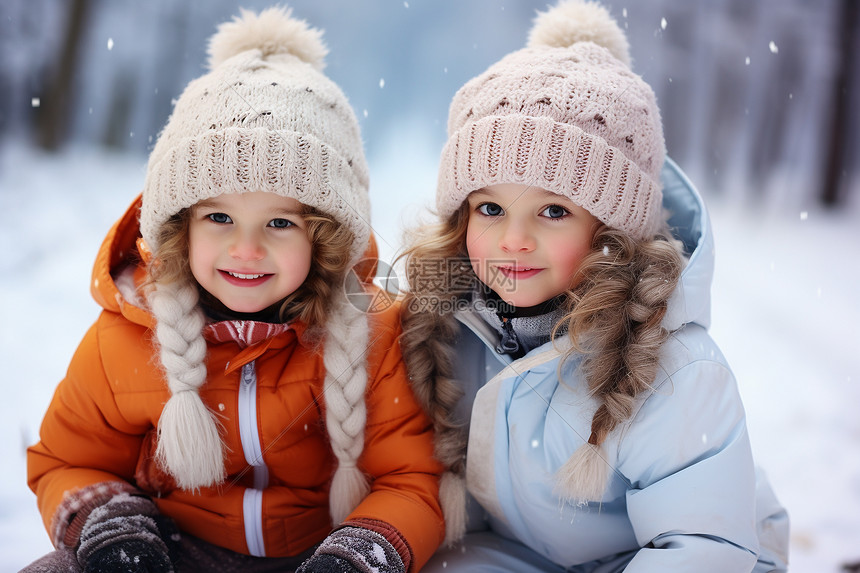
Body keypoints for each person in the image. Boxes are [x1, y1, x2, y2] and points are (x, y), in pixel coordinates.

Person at [24, 7, 443, 573]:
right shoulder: (124, 339)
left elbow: (411, 477)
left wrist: (366, 550)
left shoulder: (375, 334)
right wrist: (110, 523)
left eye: (279, 223)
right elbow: (67, 460)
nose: (246, 250)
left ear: (324, 240)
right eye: (219, 218)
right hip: (174, 550)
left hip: (321, 552)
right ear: (180, 229)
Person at [398, 1, 789, 571]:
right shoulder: (451, 326)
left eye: (553, 211)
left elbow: (702, 546)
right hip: (529, 552)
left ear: (613, 233)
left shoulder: (677, 370)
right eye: (490, 207)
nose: (513, 240)